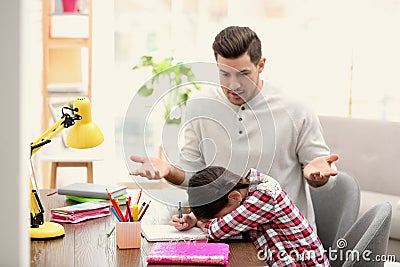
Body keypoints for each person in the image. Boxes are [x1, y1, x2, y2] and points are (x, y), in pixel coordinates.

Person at [130, 26, 338, 228]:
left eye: (243, 74)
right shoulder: (200, 106)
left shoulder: (296, 110)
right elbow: (193, 177)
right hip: (225, 230)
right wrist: (168, 170)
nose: (233, 85)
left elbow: (324, 178)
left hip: (283, 234)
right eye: (225, 74)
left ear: (261, 65)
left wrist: (317, 177)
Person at [169, 166, 330, 266]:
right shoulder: (244, 190)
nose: (215, 220)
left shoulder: (265, 196)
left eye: (215, 217)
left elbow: (217, 230)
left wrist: (201, 222)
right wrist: (194, 217)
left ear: (234, 197)